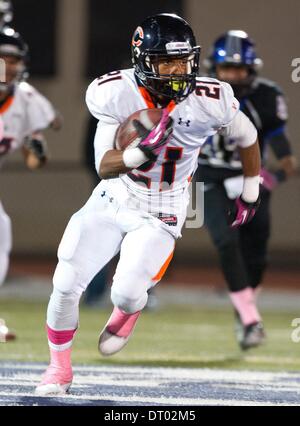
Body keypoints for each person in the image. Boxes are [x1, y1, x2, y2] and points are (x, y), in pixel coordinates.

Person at [35, 13, 262, 396]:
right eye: (166, 62)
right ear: (142, 60)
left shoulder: (211, 99)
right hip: (113, 198)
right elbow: (104, 165)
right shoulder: (114, 92)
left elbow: (248, 134)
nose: (177, 71)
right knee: (66, 280)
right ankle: (58, 369)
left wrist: (251, 190)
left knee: (124, 292)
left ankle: (127, 309)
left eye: (183, 61)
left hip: (163, 210)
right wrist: (138, 154)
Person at [197, 30, 297, 349]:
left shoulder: (266, 96)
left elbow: (284, 153)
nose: (233, 76)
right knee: (226, 242)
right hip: (208, 177)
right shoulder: (198, 93)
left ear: (252, 70)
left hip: (251, 178)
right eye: (227, 69)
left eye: (239, 70)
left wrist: (275, 175)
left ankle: (244, 312)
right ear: (215, 69)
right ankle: (251, 318)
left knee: (257, 256)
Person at [0, 28, 60, 342]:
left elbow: (35, 159)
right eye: (2, 59)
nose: (8, 66)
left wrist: (36, 146)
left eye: (14, 60)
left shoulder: (24, 99)